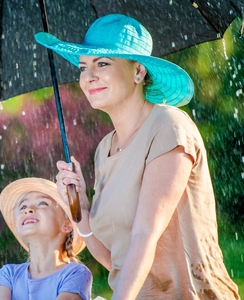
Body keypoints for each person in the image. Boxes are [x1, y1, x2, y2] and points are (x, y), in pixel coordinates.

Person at [35, 14, 240, 299]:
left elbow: (145, 234)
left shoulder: (169, 127)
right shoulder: (105, 149)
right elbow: (117, 263)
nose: (88, 76)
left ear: (138, 72)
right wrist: (80, 209)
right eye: (83, 67)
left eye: (102, 64)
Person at [0, 177, 93, 300]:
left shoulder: (76, 274)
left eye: (42, 203)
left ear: (67, 224)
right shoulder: (8, 274)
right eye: (23, 207)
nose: (28, 210)